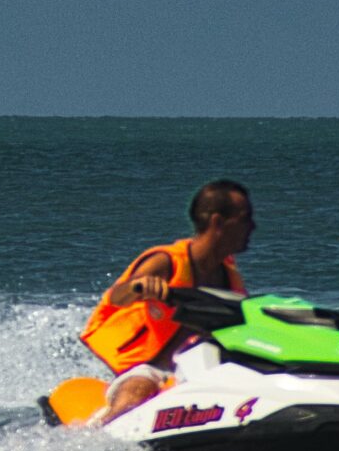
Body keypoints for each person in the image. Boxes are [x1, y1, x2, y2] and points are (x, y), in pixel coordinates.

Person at [82, 179, 254, 422]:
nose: (253, 227)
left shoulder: (229, 277)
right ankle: (100, 433)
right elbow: (118, 297)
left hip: (204, 369)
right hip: (153, 370)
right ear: (218, 222)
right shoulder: (166, 262)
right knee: (135, 395)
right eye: (245, 218)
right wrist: (139, 286)